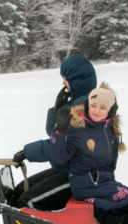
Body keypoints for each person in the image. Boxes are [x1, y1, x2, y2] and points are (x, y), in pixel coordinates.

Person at [50, 83, 128, 224]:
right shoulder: (79, 129)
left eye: (102, 108)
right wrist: (60, 132)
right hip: (86, 185)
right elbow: (59, 158)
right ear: (87, 105)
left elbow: (111, 165)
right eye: (93, 106)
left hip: (103, 182)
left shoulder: (110, 131)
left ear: (110, 111)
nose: (96, 111)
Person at [9, 54, 97, 210]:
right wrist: (59, 108)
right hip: (66, 170)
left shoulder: (88, 109)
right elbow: (54, 133)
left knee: (27, 203)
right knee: (21, 190)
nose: (63, 82)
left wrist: (28, 152)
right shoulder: (76, 103)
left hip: (83, 177)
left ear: (77, 80)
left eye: (66, 78)